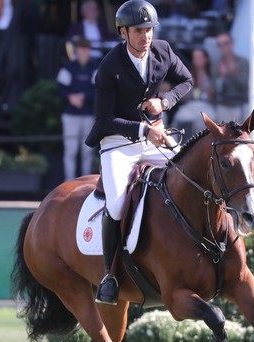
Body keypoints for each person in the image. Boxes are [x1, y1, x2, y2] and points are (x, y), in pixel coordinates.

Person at [84, 0, 192, 305]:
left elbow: (187, 81)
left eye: (149, 30)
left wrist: (165, 101)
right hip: (117, 143)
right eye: (139, 31)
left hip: (154, 136)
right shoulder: (110, 66)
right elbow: (104, 120)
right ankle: (109, 275)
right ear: (124, 32)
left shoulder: (163, 50)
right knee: (118, 205)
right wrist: (145, 130)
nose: (146, 36)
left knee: (186, 177)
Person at [57, 36, 98, 183]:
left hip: (88, 115)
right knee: (71, 150)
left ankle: (86, 183)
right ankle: (69, 182)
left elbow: (98, 89)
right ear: (76, 50)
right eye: (81, 48)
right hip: (70, 115)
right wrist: (70, 97)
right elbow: (60, 88)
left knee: (87, 151)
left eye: (86, 48)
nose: (83, 51)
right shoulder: (69, 67)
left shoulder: (95, 67)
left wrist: (83, 97)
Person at [172, 47, 215, 134]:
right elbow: (182, 95)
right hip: (190, 105)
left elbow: (215, 93)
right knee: (179, 116)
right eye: (195, 57)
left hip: (206, 105)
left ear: (206, 59)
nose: (197, 60)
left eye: (200, 57)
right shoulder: (188, 74)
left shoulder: (212, 74)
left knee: (209, 117)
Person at [212, 31, 249, 123]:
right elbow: (215, 88)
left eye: (225, 43)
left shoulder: (243, 62)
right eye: (219, 44)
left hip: (241, 103)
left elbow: (245, 86)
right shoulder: (217, 64)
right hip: (223, 104)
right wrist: (222, 77)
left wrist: (233, 74)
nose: (222, 46)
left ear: (232, 44)